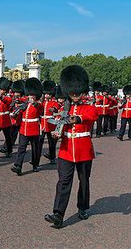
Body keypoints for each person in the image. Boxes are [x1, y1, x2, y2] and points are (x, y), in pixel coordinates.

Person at [45, 65, 98, 229]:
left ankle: (82, 207)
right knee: (63, 181)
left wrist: (77, 119)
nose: (75, 94)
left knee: (84, 181)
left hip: (83, 151)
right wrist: (57, 133)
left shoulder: (88, 106)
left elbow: (92, 116)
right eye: (72, 91)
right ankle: (58, 214)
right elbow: (61, 125)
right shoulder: (64, 108)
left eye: (78, 92)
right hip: (66, 150)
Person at [11, 77, 43, 175]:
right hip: (23, 129)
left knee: (35, 149)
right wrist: (15, 115)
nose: (30, 96)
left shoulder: (38, 104)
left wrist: (35, 103)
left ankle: (35, 164)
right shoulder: (24, 103)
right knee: (21, 148)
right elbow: (20, 115)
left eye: (32, 95)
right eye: (29, 94)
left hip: (33, 129)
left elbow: (40, 109)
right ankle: (18, 166)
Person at [39, 80, 60, 164]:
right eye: (46, 94)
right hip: (42, 124)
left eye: (48, 94)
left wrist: (53, 109)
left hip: (50, 124)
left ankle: (52, 157)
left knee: (52, 143)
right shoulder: (42, 102)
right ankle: (36, 159)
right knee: (39, 142)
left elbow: (56, 108)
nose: (47, 95)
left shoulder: (54, 102)